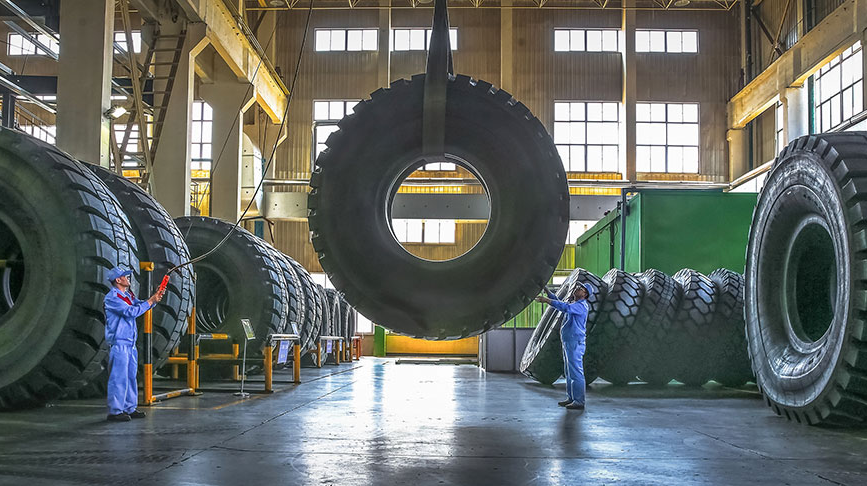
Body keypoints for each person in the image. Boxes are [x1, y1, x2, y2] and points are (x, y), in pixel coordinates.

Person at [104, 266, 165, 422]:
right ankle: (115, 411)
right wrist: (150, 301)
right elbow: (131, 312)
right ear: (118, 280)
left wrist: (154, 298)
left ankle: (129, 408)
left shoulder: (127, 295)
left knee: (131, 376)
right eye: (125, 276)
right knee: (118, 377)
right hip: (119, 343)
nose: (128, 278)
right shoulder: (112, 298)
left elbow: (140, 305)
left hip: (130, 344)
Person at [535, 282, 593, 411]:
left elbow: (564, 307)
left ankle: (579, 401)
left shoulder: (581, 306)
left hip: (575, 342)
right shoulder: (575, 305)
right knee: (569, 371)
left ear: (585, 294)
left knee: (576, 371)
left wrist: (546, 300)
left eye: (580, 288)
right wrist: (547, 292)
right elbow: (561, 304)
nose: (577, 289)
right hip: (569, 341)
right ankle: (571, 398)